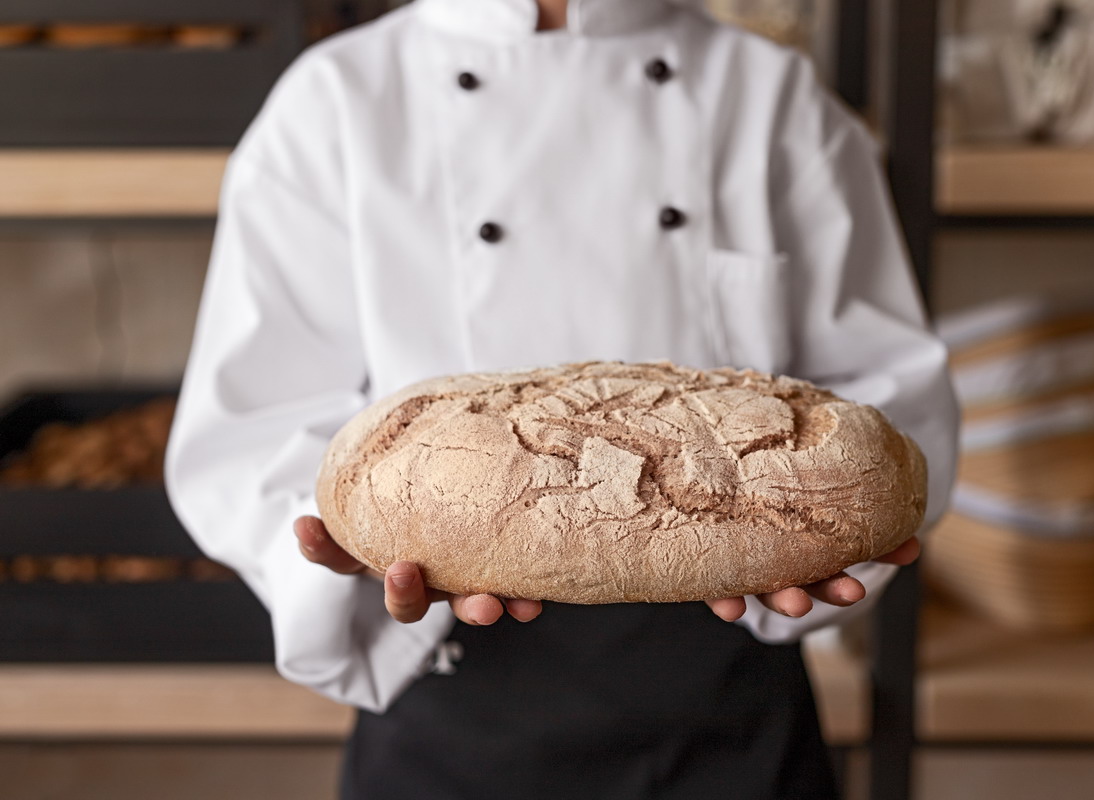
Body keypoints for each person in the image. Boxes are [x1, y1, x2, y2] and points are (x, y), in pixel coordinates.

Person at [165, 0, 959, 797]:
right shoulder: (336, 100)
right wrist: (350, 554)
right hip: (448, 695)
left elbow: (887, 397)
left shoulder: (765, 90)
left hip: (731, 696)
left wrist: (812, 532)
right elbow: (250, 430)